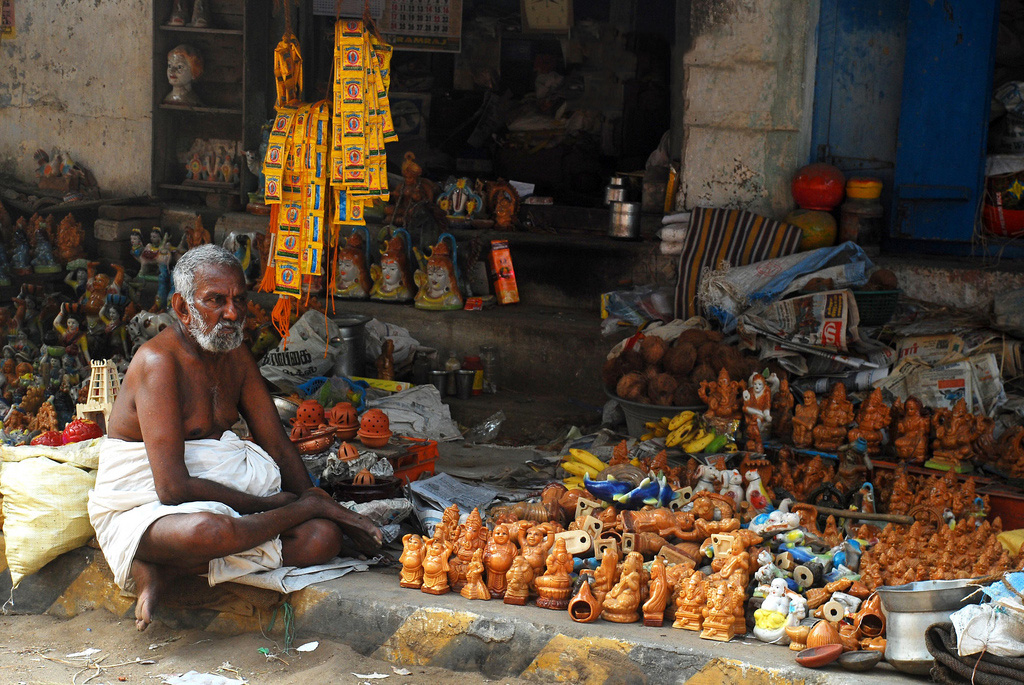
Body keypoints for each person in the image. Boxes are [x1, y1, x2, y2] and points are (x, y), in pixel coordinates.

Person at [88, 244, 382, 631]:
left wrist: (311, 496)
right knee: (209, 531)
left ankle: (164, 571)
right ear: (181, 308)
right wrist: (282, 506)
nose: (233, 313)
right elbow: (172, 489)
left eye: (239, 300)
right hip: (147, 508)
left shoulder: (235, 354)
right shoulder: (158, 363)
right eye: (216, 300)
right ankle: (156, 560)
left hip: (218, 502)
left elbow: (276, 443)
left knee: (322, 540)